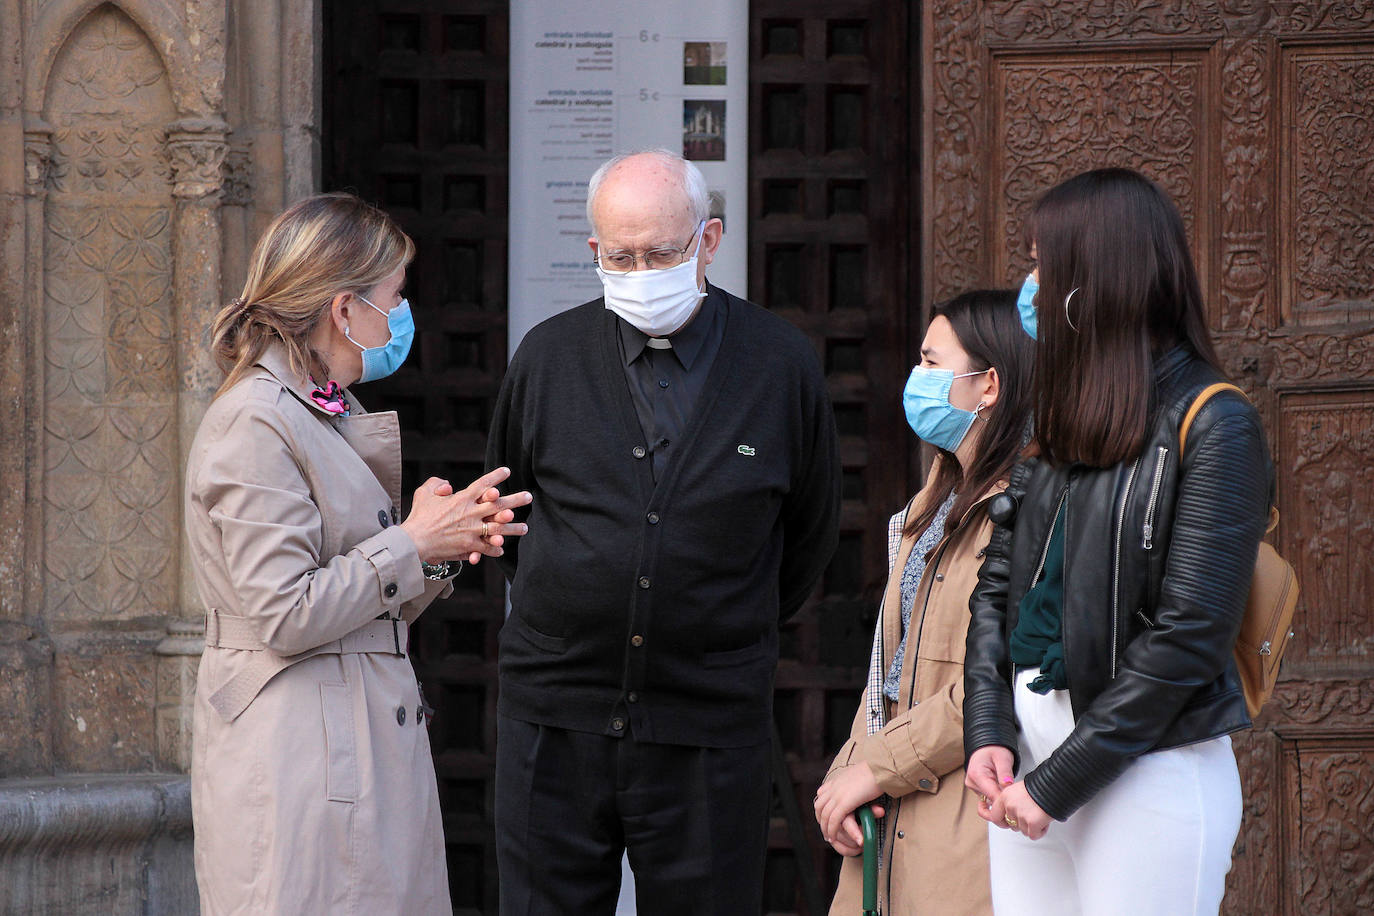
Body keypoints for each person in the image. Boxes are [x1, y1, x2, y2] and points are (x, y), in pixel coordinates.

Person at [486, 148, 841, 914]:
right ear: (594, 253)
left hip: (708, 724)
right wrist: (585, 595)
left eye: (661, 252)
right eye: (621, 256)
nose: (641, 271)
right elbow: (508, 514)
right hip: (556, 719)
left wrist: (713, 620)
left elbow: (807, 532)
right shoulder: (548, 356)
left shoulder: (780, 363)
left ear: (708, 242)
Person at [184, 192, 531, 915]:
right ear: (345, 310)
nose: (401, 317)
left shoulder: (328, 411)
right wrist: (411, 540)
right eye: (394, 298)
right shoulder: (255, 420)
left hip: (352, 750)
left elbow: (370, 599)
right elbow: (284, 611)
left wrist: (445, 545)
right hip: (302, 766)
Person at [963, 168, 1273, 914]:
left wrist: (1060, 782)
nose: (1030, 287)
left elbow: (1190, 634)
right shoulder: (1062, 416)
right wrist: (987, 730)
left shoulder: (1214, 421)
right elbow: (998, 585)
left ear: (1093, 279)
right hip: (1028, 764)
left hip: (1145, 776)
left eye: (1044, 264)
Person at [814, 289, 1034, 915]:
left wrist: (877, 767)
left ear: (988, 384)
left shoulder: (1022, 509)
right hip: (887, 821)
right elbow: (891, 665)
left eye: (933, 364)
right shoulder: (931, 505)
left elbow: (998, 679)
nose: (917, 380)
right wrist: (847, 774)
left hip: (962, 824)